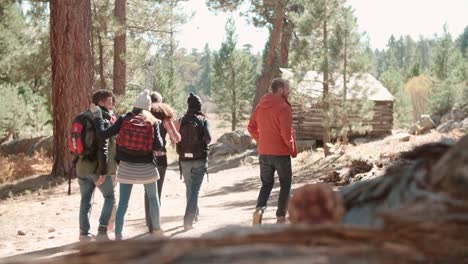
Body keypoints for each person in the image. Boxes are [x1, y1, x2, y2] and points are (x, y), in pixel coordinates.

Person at [91, 89, 164, 239]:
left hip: (126, 168)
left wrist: (98, 115)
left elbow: (103, 134)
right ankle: (157, 230)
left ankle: (118, 234)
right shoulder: (152, 121)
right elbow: (158, 146)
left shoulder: (124, 118)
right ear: (148, 108)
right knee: (153, 199)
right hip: (147, 168)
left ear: (135, 105)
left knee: (123, 202)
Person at [247, 78, 297, 225]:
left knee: (266, 184)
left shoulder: (261, 105)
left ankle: (259, 209)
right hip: (280, 153)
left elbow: (251, 127)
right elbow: (286, 134)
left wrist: (261, 140)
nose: (289, 91)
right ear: (280, 89)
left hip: (264, 152)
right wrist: (291, 149)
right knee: (285, 183)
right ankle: (281, 217)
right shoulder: (283, 107)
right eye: (287, 88)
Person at [76, 89, 116, 241]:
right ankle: (101, 231)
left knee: (85, 199)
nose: (111, 106)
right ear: (101, 103)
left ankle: (84, 234)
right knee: (109, 197)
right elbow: (103, 147)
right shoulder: (102, 119)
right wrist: (102, 171)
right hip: (96, 167)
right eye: (110, 103)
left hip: (81, 166)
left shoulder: (81, 117)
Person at [144, 91, 181, 232]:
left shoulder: (143, 116)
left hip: (144, 158)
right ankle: (154, 224)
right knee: (156, 192)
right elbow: (176, 138)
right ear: (160, 101)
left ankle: (149, 223)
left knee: (147, 192)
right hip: (160, 158)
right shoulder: (165, 118)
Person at [177, 93, 212, 230]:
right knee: (195, 191)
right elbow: (208, 139)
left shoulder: (181, 120)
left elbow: (176, 138)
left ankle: (194, 215)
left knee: (189, 188)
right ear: (199, 106)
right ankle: (188, 219)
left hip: (184, 159)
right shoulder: (203, 120)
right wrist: (201, 142)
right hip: (199, 159)